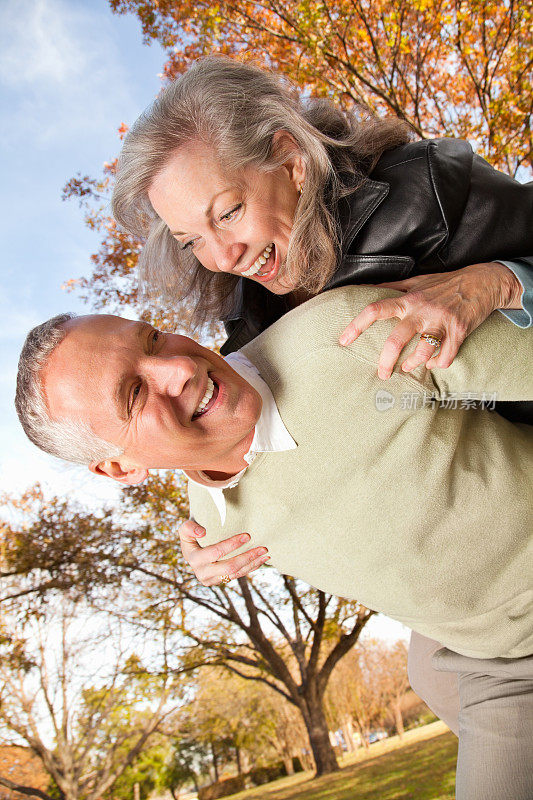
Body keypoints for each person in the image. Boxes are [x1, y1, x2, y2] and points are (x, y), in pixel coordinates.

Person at [15, 285, 533, 800]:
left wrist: (504, 279)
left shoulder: (346, 335)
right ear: (121, 467)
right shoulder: (215, 534)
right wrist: (197, 549)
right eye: (133, 394)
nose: (180, 368)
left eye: (152, 339)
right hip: (495, 667)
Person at [111, 56, 533, 408]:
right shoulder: (246, 325)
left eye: (228, 212)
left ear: (292, 163)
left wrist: (498, 283)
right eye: (192, 241)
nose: (224, 258)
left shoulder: (429, 190)